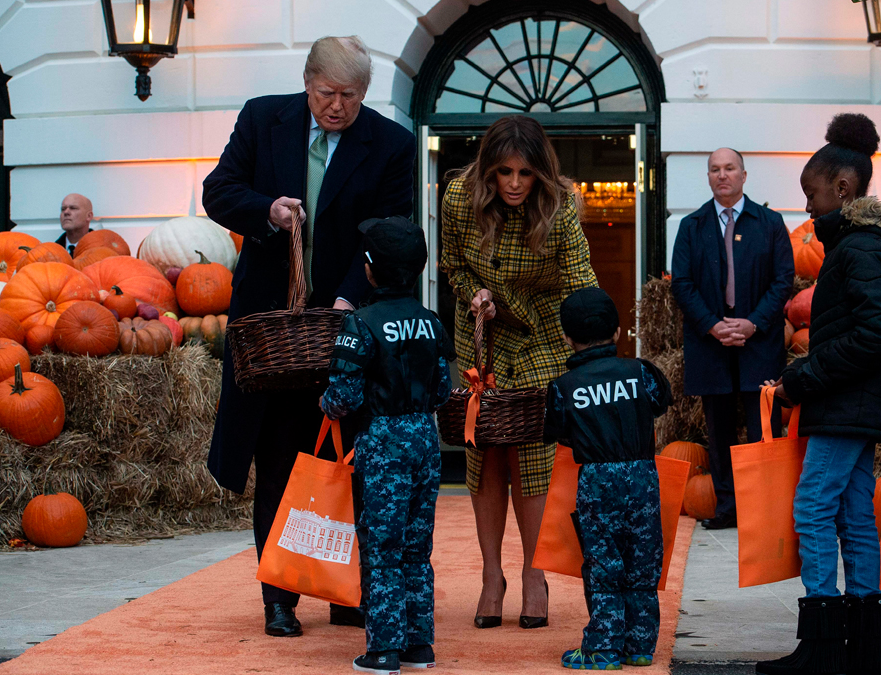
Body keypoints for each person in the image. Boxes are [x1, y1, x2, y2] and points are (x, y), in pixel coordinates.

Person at [202, 35, 416, 638]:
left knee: (348, 463)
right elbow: (218, 191)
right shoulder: (261, 117)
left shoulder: (392, 144)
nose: (338, 107)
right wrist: (266, 211)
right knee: (277, 463)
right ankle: (280, 596)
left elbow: (389, 229)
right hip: (274, 332)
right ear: (307, 82)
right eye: (327, 93)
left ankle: (346, 594)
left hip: (347, 330)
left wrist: (352, 297)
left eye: (350, 96)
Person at [763, 113, 881, 675]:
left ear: (843, 188)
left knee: (813, 508)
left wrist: (802, 379)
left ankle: (821, 644)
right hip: (861, 402)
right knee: (855, 515)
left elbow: (879, 333)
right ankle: (867, 645)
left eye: (810, 194)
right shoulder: (872, 246)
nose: (807, 208)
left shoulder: (858, 250)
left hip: (847, 402)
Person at [439, 115, 598, 629]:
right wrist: (473, 292)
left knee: (534, 456)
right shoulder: (458, 199)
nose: (512, 183)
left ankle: (534, 575)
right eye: (503, 172)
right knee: (484, 455)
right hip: (482, 332)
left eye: (524, 174)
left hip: (543, 333)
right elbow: (453, 264)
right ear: (487, 170)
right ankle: (491, 577)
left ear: (541, 175)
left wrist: (596, 348)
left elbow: (580, 279)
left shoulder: (561, 206)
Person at [320, 217, 452, 675]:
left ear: (369, 269)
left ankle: (383, 650)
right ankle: (419, 645)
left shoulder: (359, 323)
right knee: (417, 547)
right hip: (424, 439)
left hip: (382, 442)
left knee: (381, 547)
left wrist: (326, 401)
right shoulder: (432, 323)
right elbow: (442, 391)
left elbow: (344, 398)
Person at [542, 287, 672, 670]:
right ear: (617, 332)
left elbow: (554, 430)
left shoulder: (564, 387)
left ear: (567, 337)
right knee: (643, 561)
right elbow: (660, 403)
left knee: (603, 565)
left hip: (597, 481)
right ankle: (640, 646)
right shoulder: (641, 372)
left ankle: (603, 647)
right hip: (643, 475)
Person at [669, 147, 795, 530]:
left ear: (743, 175)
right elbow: (682, 284)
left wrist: (753, 322)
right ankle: (725, 507)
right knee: (719, 429)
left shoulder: (770, 223)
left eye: (729, 168)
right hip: (711, 344)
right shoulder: (691, 227)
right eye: (714, 170)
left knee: (762, 430)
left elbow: (783, 280)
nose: (722, 175)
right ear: (708, 178)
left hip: (759, 342)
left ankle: (761, 509)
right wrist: (713, 325)